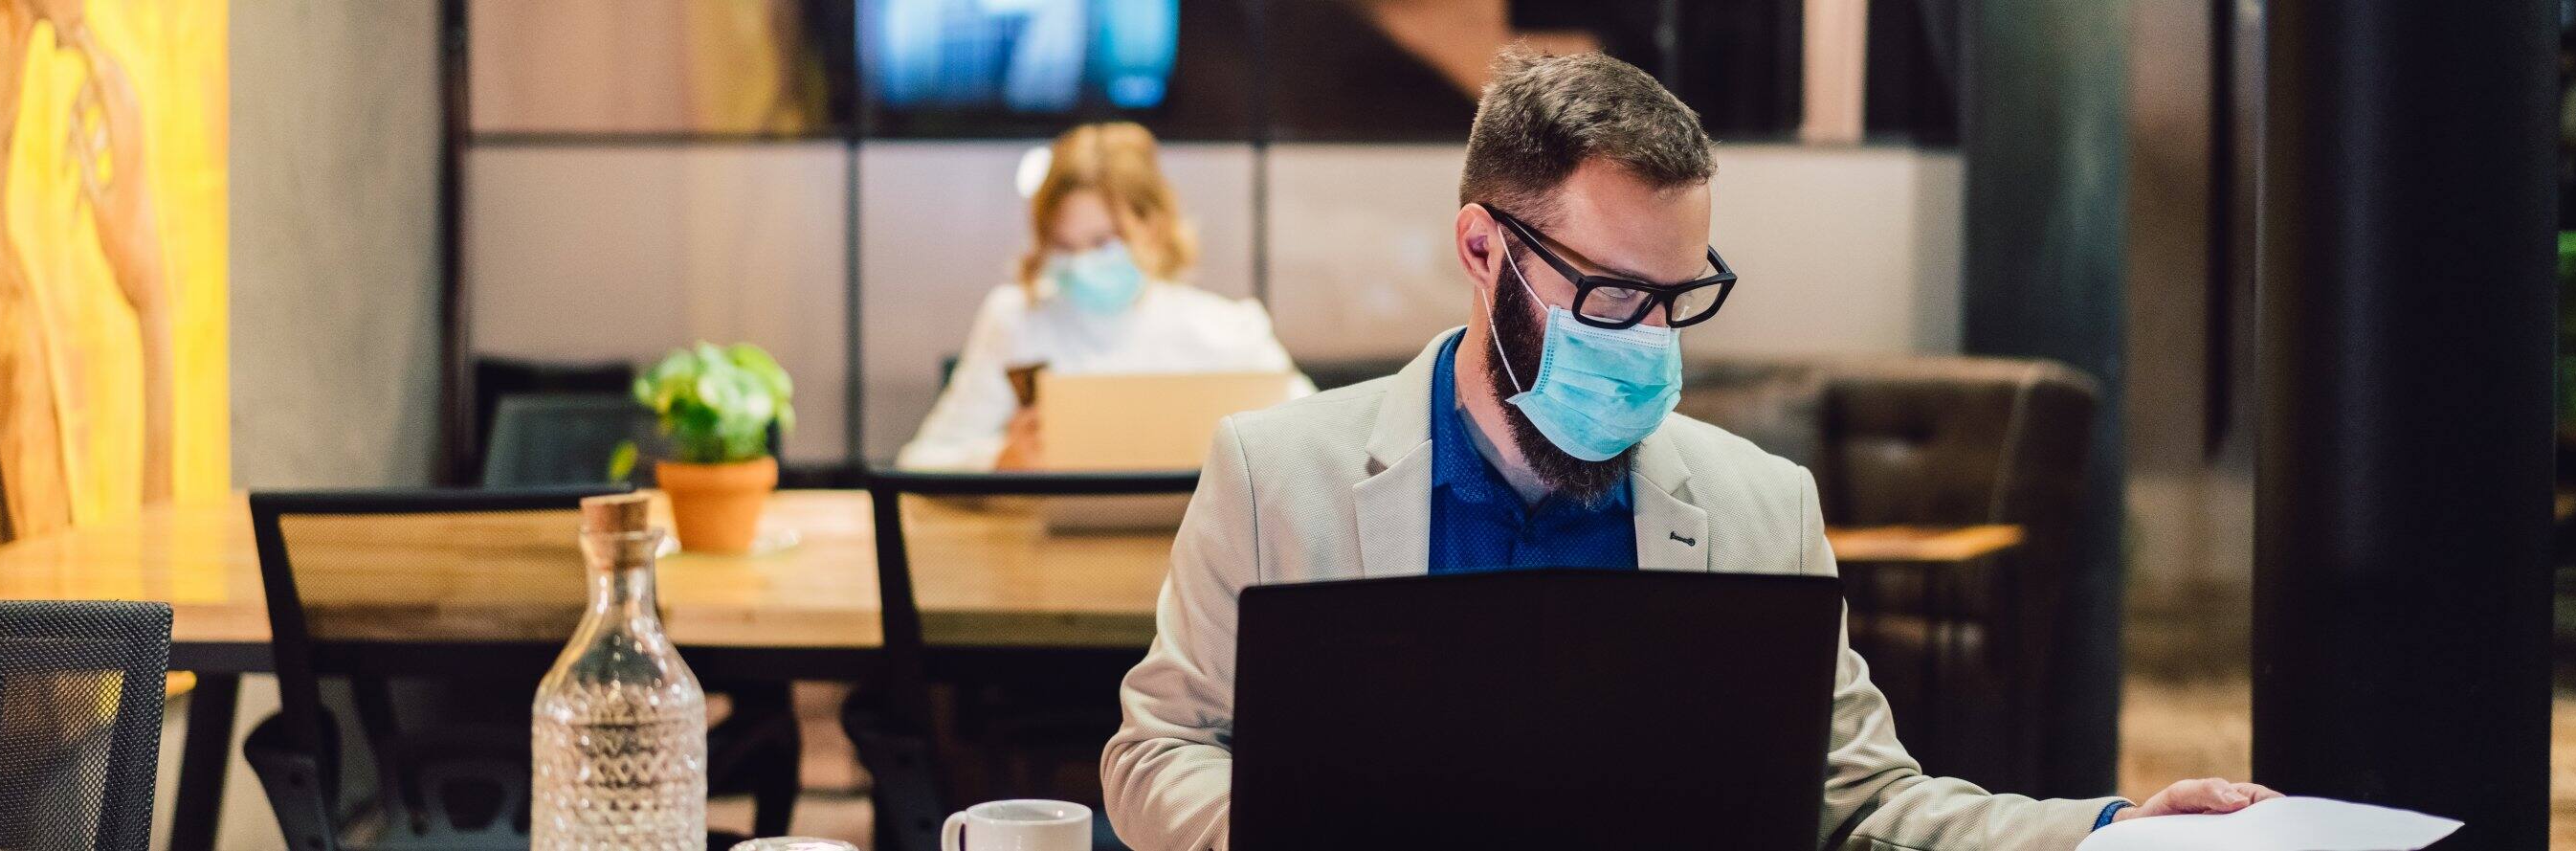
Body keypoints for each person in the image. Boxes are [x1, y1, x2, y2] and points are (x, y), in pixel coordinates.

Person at [1101, 47, 2277, 851]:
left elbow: (1867, 802)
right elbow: (1158, 752)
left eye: (1678, 297)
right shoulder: (1275, 473)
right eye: (1612, 295)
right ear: (1482, 250)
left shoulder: (1761, 506)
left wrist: (2109, 830)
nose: (1651, 341)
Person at [897, 122, 1308, 471]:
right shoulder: (1016, 320)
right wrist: (1002, 460)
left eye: (1102, 242)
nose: (1081, 264)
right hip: (1045, 542)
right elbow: (922, 461)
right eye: (1064, 245)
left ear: (1154, 227)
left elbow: (1315, 441)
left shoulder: (1227, 331)